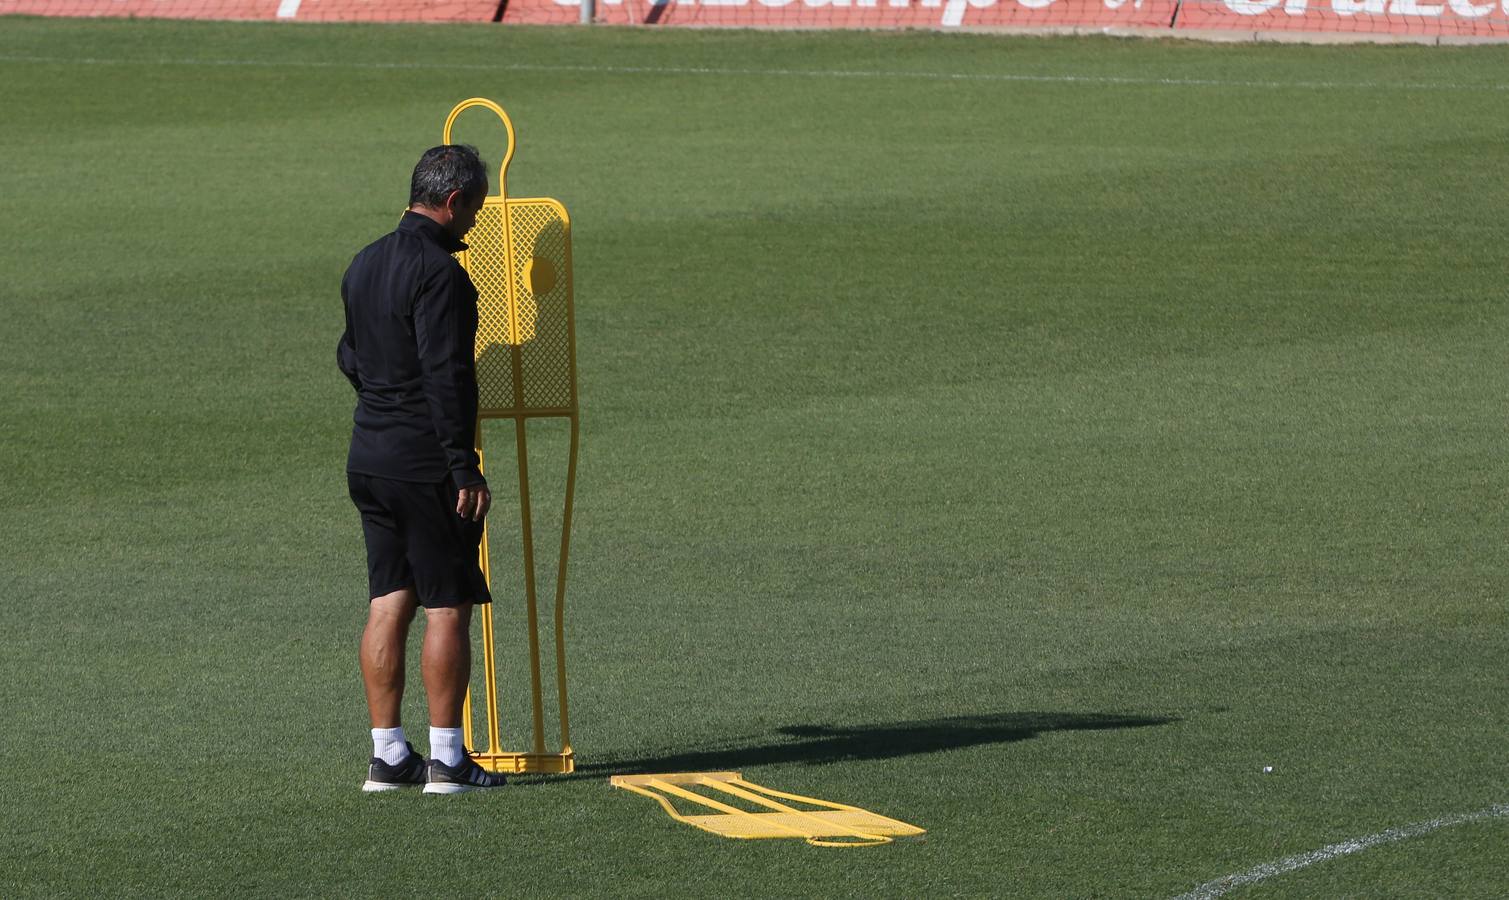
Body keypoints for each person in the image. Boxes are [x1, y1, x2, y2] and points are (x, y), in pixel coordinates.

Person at [337, 144, 506, 794]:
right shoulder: (442, 275)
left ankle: (388, 756)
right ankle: (448, 761)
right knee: (446, 606)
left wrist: (382, 403)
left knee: (388, 599)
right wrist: (463, 467)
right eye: (475, 211)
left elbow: (348, 355)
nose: (473, 225)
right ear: (453, 200)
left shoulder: (364, 262)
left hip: (369, 456)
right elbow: (447, 375)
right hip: (424, 462)